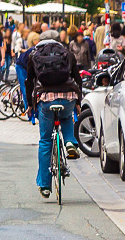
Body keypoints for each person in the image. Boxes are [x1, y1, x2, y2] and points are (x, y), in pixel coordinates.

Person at [23, 29, 82, 198]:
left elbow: (29, 82)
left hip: (46, 100)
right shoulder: (67, 54)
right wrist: (77, 101)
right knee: (66, 116)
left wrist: (29, 105)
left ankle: (44, 185)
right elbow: (77, 79)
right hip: (68, 96)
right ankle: (70, 142)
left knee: (45, 141)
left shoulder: (34, 55)